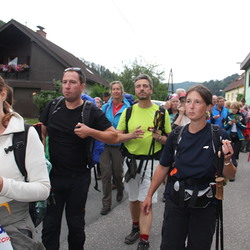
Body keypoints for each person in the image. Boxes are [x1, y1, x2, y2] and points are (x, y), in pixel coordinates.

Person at [142, 84, 236, 250]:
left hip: (205, 204)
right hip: (176, 200)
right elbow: (163, 167)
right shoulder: (176, 135)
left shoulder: (219, 135)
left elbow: (229, 174)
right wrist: (149, 195)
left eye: (197, 102)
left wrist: (227, 160)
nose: (191, 106)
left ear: (208, 107)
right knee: (170, 246)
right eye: (188, 101)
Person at [40, 67, 118, 250]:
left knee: (75, 226)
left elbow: (113, 136)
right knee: (50, 226)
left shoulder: (90, 111)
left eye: (72, 82)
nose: (67, 86)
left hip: (78, 178)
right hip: (53, 177)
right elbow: (41, 131)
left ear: (82, 86)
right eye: (64, 82)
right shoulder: (53, 106)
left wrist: (90, 131)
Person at [117, 74, 171, 250]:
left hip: (153, 162)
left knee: (145, 201)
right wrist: (130, 136)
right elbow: (118, 136)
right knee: (133, 199)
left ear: (151, 89)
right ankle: (135, 227)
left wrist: (159, 137)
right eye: (139, 86)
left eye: (145, 86)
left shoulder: (161, 112)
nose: (142, 88)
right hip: (131, 161)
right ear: (135, 90)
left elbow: (169, 140)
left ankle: (144, 239)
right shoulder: (129, 111)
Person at [0, 76, 50, 249]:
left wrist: (3, 185)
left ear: (2, 94)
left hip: (13, 225)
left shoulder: (24, 134)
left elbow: (43, 190)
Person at [99, 81, 131, 215]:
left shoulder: (128, 109)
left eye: (118, 89)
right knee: (106, 174)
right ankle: (106, 204)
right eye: (114, 89)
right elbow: (98, 122)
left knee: (118, 173)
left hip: (118, 146)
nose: (116, 91)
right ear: (111, 91)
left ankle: (120, 188)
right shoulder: (105, 107)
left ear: (121, 91)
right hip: (104, 145)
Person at [224, 101, 246, 180]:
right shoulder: (229, 116)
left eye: (235, 108)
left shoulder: (241, 116)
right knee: (229, 153)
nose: (234, 110)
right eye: (233, 108)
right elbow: (224, 127)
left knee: (235, 154)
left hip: (238, 137)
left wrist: (238, 123)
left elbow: (244, 127)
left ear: (238, 109)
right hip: (229, 136)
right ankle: (230, 171)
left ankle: (233, 172)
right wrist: (229, 124)